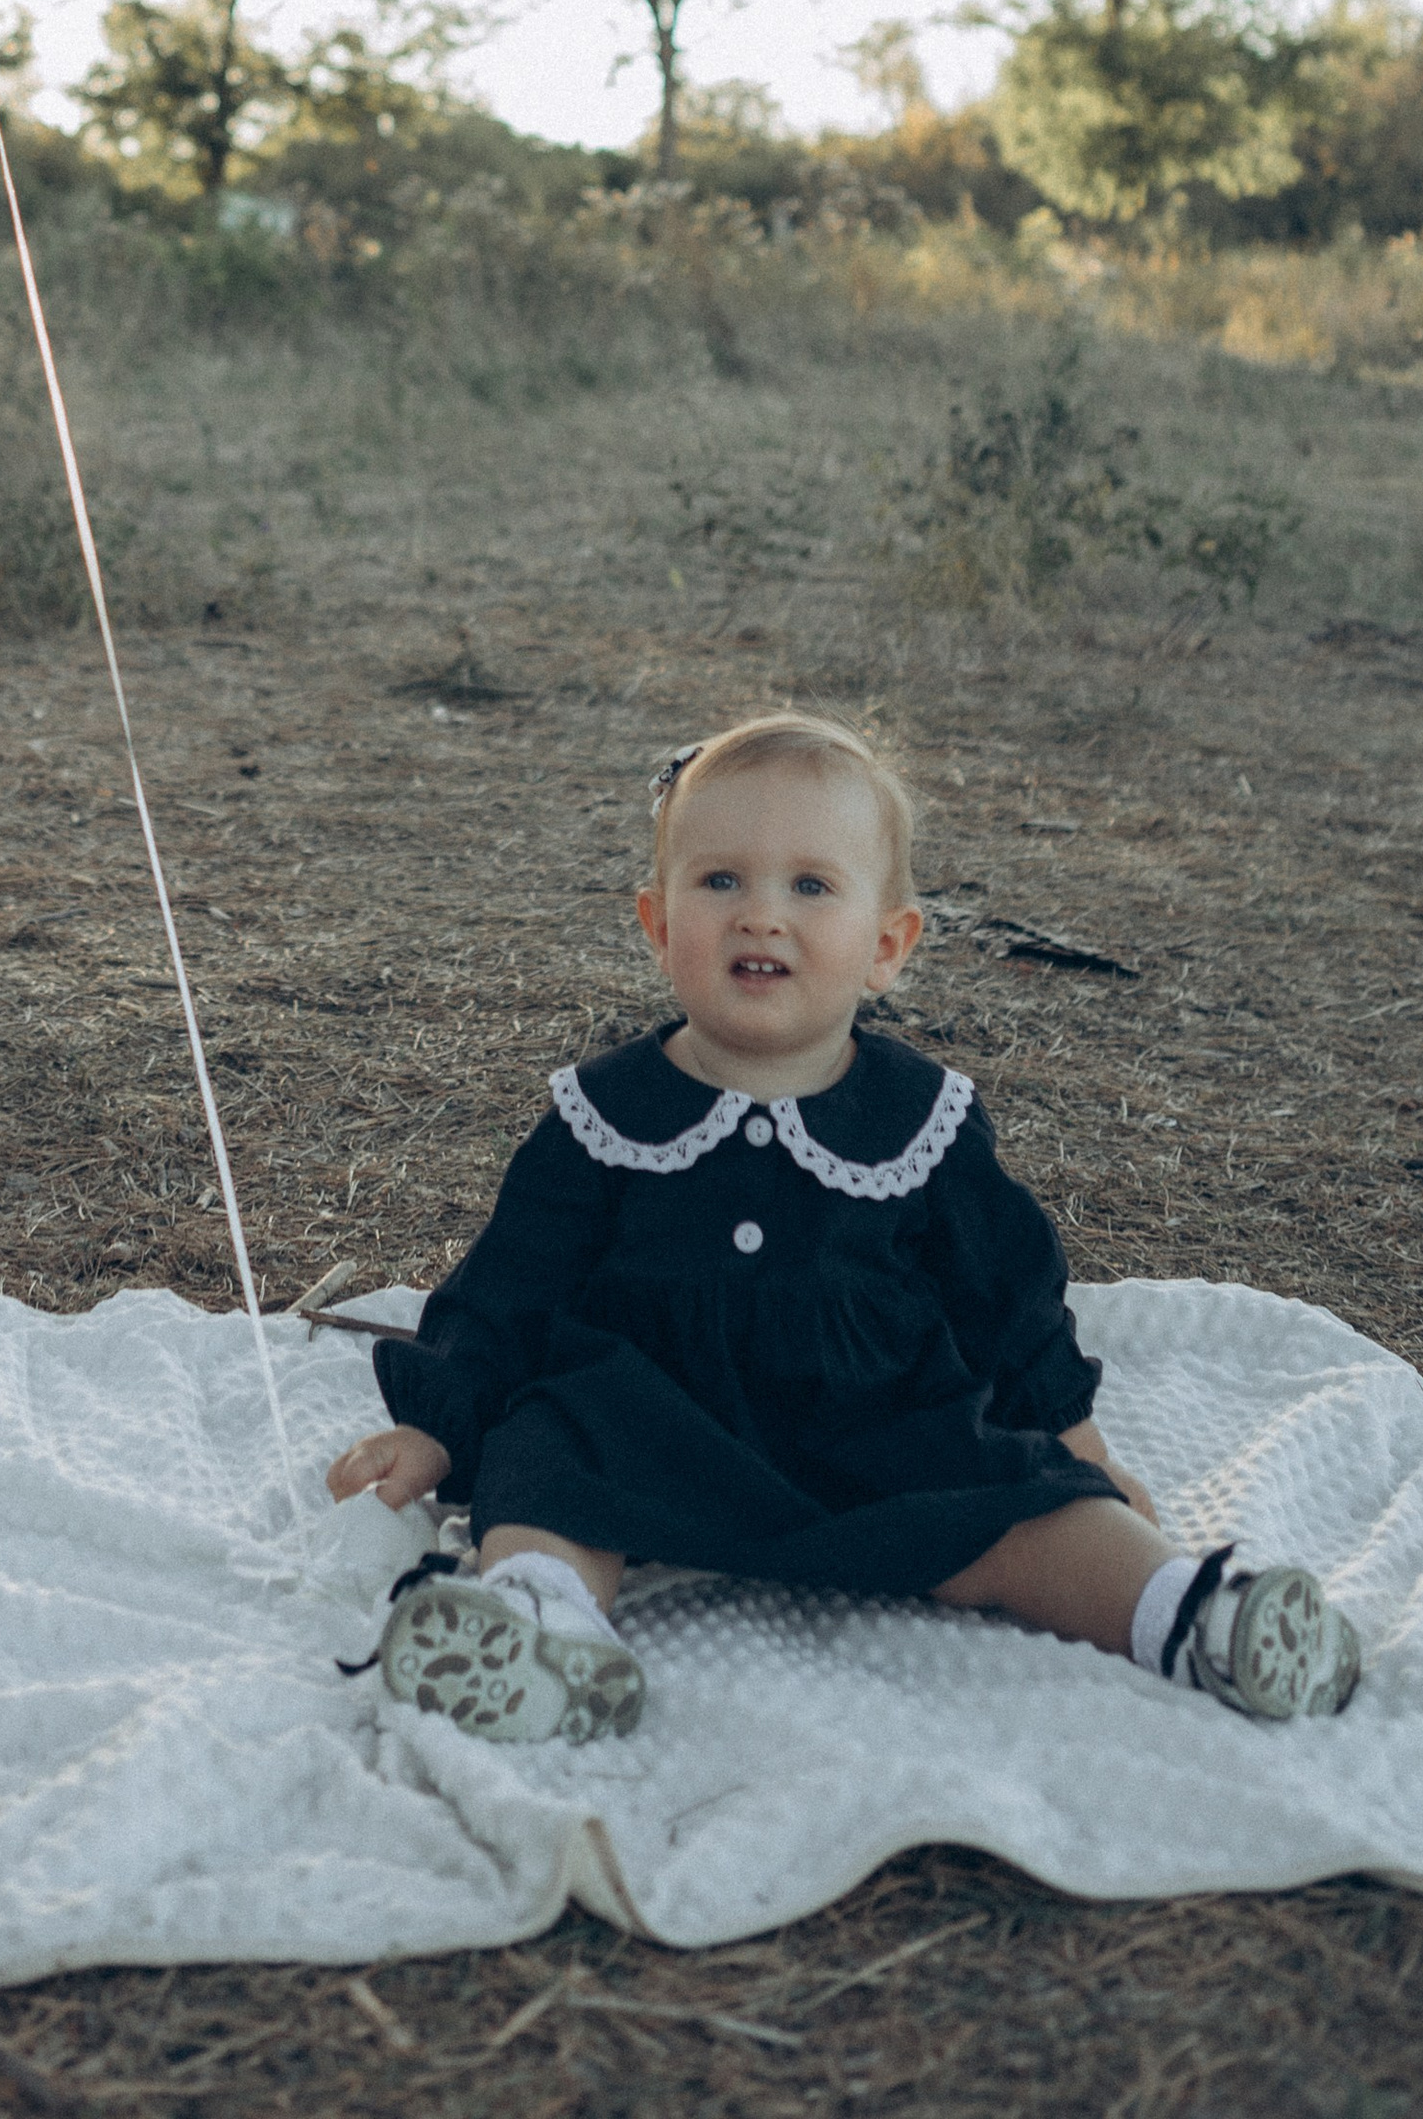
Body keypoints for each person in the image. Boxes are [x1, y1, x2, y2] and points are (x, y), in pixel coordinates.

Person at [327, 710, 1362, 1749]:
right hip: (648, 1418)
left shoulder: (922, 1120)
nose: (759, 917)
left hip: (879, 1425)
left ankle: (1190, 1618)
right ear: (655, 924)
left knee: (1034, 1509)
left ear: (885, 946)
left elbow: (1006, 1300)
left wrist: (1077, 1448)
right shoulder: (603, 1114)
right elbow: (506, 1291)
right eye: (719, 881)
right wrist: (441, 1423)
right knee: (544, 1462)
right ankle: (538, 1630)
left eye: (809, 886)